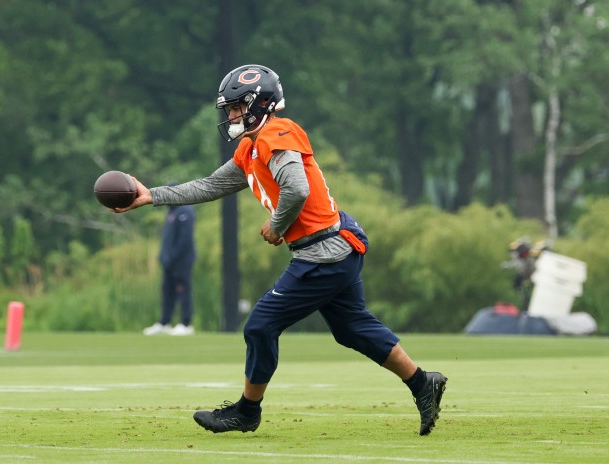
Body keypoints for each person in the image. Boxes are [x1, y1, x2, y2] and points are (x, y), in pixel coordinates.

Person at [115, 65, 447, 435]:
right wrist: (151, 196)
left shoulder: (277, 133)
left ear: (261, 104)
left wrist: (277, 225)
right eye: (229, 109)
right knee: (352, 328)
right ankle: (423, 383)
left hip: (323, 252)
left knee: (260, 325)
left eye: (238, 107)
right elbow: (210, 185)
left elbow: (297, 189)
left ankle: (247, 411)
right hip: (335, 246)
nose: (231, 116)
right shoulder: (252, 146)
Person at [143, 191, 197, 336]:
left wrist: (174, 257)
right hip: (168, 262)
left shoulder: (185, 211)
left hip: (182, 262)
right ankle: (164, 322)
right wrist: (164, 258)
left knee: (183, 291)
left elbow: (184, 240)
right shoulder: (170, 212)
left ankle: (186, 323)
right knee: (167, 292)